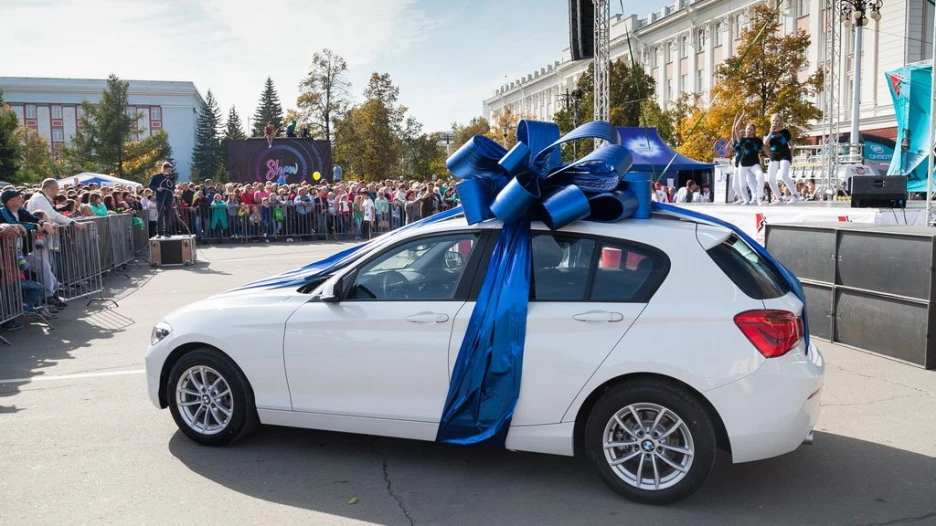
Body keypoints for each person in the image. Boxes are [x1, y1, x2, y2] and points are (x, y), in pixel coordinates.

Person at [765, 114, 801, 204]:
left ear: (780, 122)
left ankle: (795, 195)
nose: (775, 122)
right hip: (774, 155)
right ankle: (779, 198)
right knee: (770, 179)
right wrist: (770, 132)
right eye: (773, 120)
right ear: (771, 122)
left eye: (777, 121)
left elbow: (791, 144)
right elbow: (765, 143)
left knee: (783, 175)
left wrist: (791, 157)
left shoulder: (785, 131)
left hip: (785, 154)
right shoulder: (767, 132)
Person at [738, 122, 766, 206]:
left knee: (761, 176)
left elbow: (765, 149)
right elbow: (736, 128)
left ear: (754, 131)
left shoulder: (757, 140)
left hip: (754, 163)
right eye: (747, 129)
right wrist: (739, 118)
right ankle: (746, 200)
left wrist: (771, 156)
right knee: (742, 184)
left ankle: (759, 197)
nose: (748, 131)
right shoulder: (743, 139)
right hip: (743, 164)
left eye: (751, 129)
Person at [148, 162, 176, 237]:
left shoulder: (171, 177)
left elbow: (173, 187)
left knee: (168, 214)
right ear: (163, 169)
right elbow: (150, 185)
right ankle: (159, 232)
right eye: (168, 169)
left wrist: (171, 182)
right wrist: (157, 188)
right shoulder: (156, 176)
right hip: (160, 197)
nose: (169, 171)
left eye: (170, 170)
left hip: (168, 197)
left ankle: (167, 231)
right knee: (160, 214)